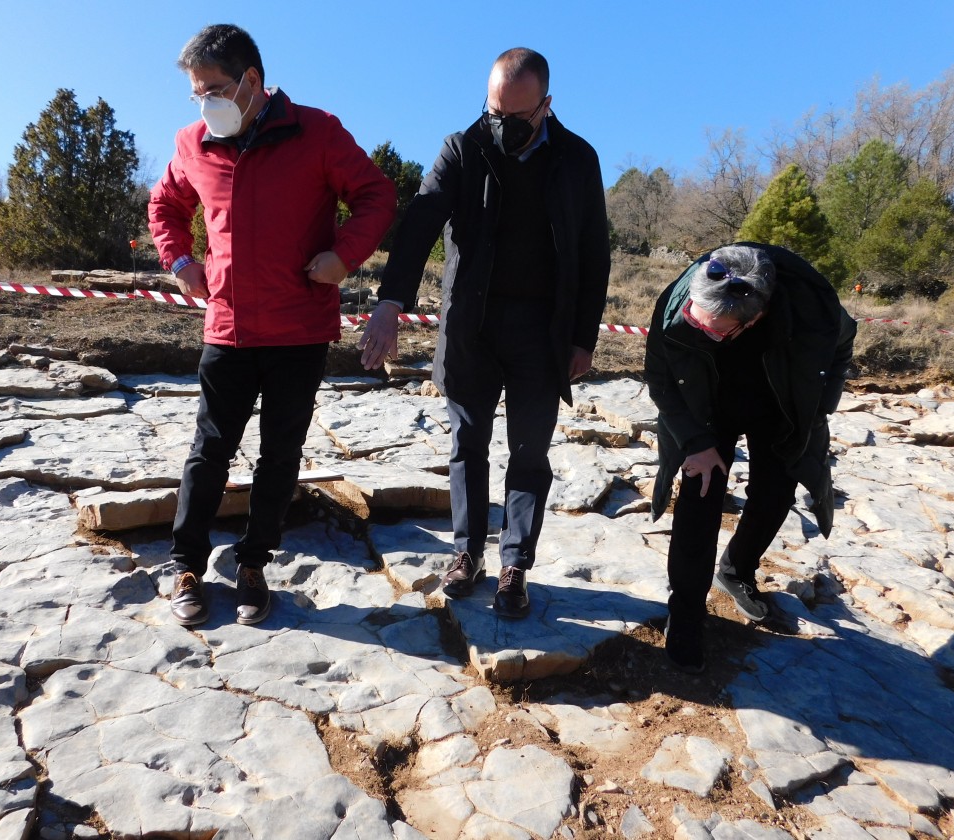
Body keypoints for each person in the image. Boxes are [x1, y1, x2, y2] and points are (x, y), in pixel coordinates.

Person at [148, 24, 395, 627]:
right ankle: (186, 565)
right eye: (195, 93)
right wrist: (180, 261)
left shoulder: (317, 131)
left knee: (280, 456)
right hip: (227, 330)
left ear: (251, 81)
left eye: (212, 89)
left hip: (299, 331)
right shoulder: (192, 143)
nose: (203, 103)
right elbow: (165, 206)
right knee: (209, 452)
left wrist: (343, 257)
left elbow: (376, 195)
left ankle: (253, 564)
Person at [359, 48, 610, 619]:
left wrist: (583, 337)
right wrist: (391, 301)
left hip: (541, 333)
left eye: (516, 118)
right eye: (493, 111)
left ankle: (515, 564)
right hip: (471, 324)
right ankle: (466, 552)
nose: (501, 126)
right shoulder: (463, 147)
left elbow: (596, 255)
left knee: (529, 452)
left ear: (546, 106)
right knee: (466, 442)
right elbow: (420, 221)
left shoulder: (577, 159)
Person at [644, 242, 857, 673]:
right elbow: (660, 378)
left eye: (716, 330)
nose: (702, 332)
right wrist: (693, 442)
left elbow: (842, 347)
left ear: (753, 318)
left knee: (776, 495)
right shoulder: (675, 304)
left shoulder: (812, 305)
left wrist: (820, 408)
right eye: (696, 322)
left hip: (779, 406)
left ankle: (737, 569)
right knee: (700, 497)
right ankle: (685, 613)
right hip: (707, 406)